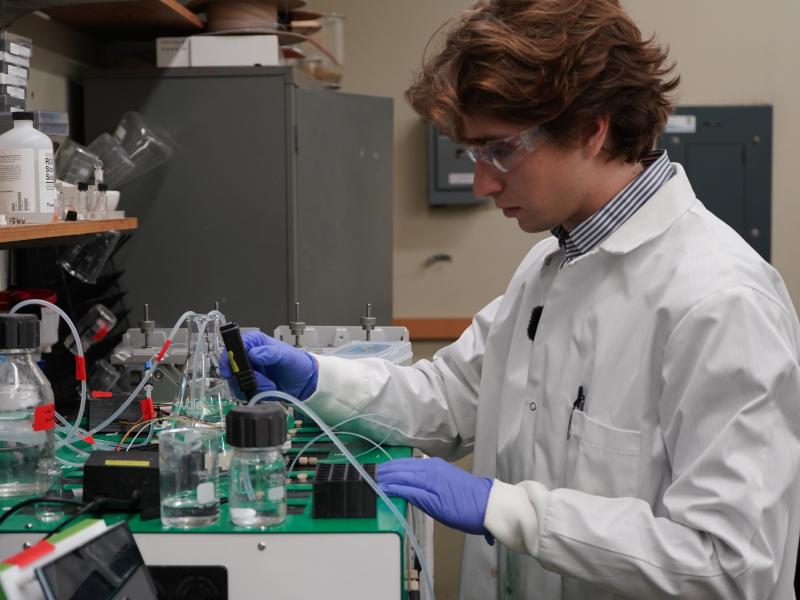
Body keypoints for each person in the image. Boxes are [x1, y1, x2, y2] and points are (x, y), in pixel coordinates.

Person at [221, 1, 800, 597]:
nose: (482, 182)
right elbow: (448, 399)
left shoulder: (721, 300)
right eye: (474, 154)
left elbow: (730, 564)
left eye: (499, 150)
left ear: (591, 127)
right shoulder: (550, 267)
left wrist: (516, 513)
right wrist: (314, 379)